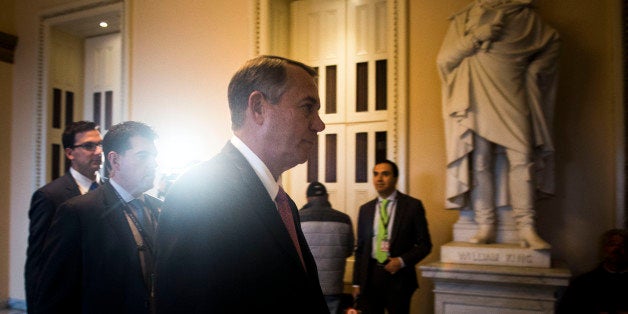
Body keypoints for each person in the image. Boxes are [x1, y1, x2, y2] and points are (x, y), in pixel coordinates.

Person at [155, 55, 328, 313]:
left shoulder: (283, 203)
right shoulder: (199, 194)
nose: (319, 124)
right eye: (307, 107)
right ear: (258, 107)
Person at [436, 0, 560, 249]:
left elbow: (553, 42)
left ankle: (526, 227)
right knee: (481, 161)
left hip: (513, 92)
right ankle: (485, 225)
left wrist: (535, 70)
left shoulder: (525, 18)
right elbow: (444, 60)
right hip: (477, 94)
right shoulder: (466, 19)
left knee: (523, 158)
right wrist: (474, 39)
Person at [32, 121, 161, 314]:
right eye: (143, 156)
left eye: (154, 156)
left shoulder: (159, 208)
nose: (153, 164)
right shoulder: (79, 212)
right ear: (115, 160)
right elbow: (55, 296)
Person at [25, 120, 103, 312]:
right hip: (66, 301)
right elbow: (37, 261)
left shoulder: (107, 193)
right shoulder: (50, 196)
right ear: (70, 153)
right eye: (88, 146)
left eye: (100, 144)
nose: (98, 151)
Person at [352, 160, 432, 314]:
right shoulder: (365, 210)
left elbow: (425, 245)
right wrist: (356, 283)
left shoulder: (412, 206)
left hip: (399, 278)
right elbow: (360, 249)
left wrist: (401, 261)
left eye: (385, 174)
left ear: (395, 178)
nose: (379, 179)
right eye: (376, 174)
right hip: (370, 277)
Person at [299, 181, 355, 314]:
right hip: (333, 286)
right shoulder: (344, 219)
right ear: (327, 197)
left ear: (307, 198)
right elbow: (349, 250)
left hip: (307, 286)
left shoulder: (297, 218)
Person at [557, 228, 628, 313]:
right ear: (604, 249)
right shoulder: (583, 283)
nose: (617, 249)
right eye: (612, 244)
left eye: (623, 245)